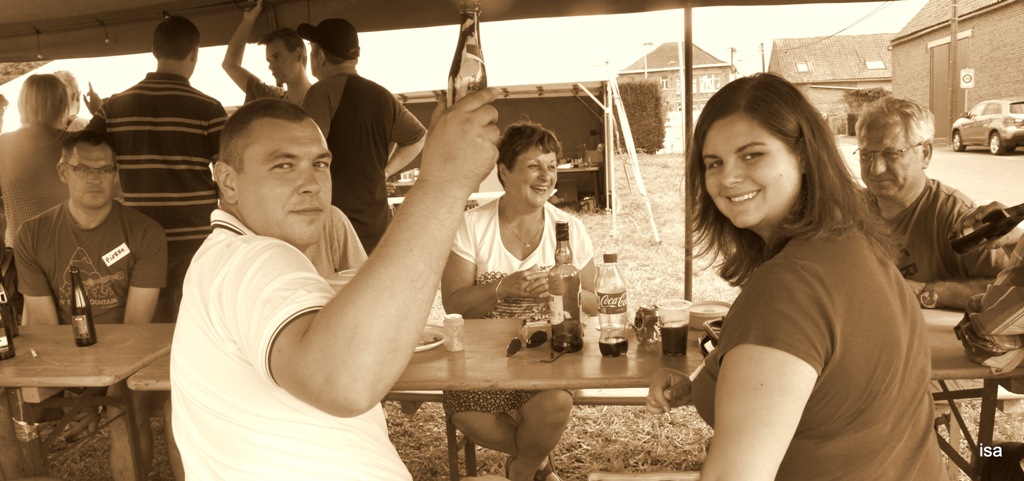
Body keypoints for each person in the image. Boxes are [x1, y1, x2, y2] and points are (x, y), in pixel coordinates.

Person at [170, 90, 503, 479]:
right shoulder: (252, 259)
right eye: (283, 165)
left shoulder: (223, 257)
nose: (311, 183)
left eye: (320, 164)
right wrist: (443, 183)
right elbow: (346, 382)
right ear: (228, 182)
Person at [646, 73, 944, 481]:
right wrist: (705, 383)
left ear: (803, 155)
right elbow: (830, 386)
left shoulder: (787, 287)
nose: (727, 177)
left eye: (752, 155)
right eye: (714, 163)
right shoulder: (854, 240)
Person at [13, 130, 182, 481]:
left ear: (116, 173)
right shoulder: (32, 234)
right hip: (63, 353)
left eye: (105, 170)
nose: (96, 178)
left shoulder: (145, 232)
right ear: (63, 172)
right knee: (6, 409)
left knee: (125, 407)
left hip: (130, 353)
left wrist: (96, 393)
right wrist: (74, 388)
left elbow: (135, 327)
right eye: (84, 169)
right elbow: (43, 323)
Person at [440, 121, 596, 481]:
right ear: (504, 171)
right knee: (467, 414)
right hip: (482, 358)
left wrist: (564, 288)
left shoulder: (568, 228)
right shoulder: (471, 225)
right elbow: (454, 303)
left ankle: (521, 469)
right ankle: (538, 464)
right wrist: (503, 288)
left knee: (555, 403)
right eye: (533, 166)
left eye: (552, 166)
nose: (546, 176)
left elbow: (596, 302)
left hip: (550, 354)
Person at [87, 15, 228, 324]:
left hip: (135, 235)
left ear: (154, 50)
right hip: (196, 238)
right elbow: (232, 175)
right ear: (194, 54)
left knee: (143, 325)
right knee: (195, 323)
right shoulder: (209, 108)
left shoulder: (114, 107)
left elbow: (84, 154)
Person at [856, 97, 1011, 310]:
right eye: (866, 155)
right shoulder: (847, 210)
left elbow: (1009, 290)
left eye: (890, 154)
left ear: (925, 154)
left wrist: (924, 292)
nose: (876, 169)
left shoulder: (957, 215)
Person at [298, 18, 426, 254]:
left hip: (335, 224)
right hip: (377, 221)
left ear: (319, 55)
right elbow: (417, 138)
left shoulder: (321, 92)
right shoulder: (383, 96)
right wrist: (385, 171)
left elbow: (305, 151)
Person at [0, 74, 72, 245]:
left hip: (19, 245)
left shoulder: (2, 144)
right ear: (61, 104)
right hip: (66, 242)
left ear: (22, 103)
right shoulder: (72, 143)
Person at [222, 0, 312, 105]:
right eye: (269, 61)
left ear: (299, 54)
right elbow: (229, 64)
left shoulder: (321, 99)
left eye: (276, 57)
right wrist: (249, 19)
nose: (270, 67)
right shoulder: (272, 97)